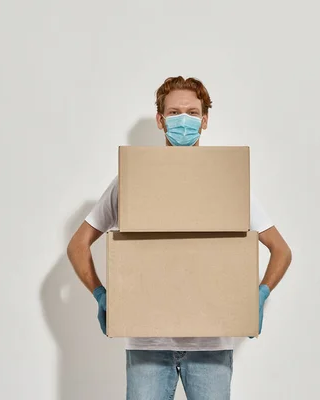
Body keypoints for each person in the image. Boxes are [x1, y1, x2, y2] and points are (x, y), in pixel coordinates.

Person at [67, 76, 293, 400]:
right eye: (174, 113)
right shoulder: (132, 180)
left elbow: (280, 250)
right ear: (160, 120)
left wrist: (259, 294)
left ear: (204, 120)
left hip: (211, 346)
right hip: (147, 343)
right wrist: (101, 294)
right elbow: (78, 244)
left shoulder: (226, 181)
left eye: (191, 112)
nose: (183, 120)